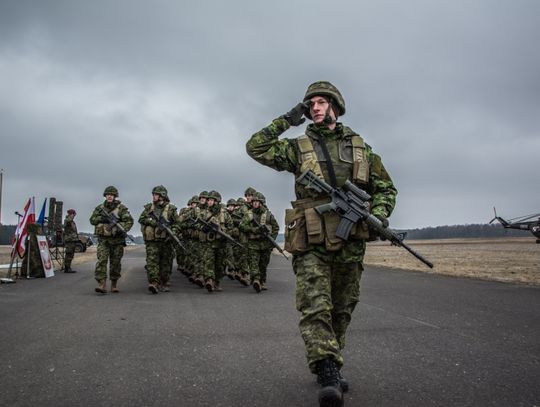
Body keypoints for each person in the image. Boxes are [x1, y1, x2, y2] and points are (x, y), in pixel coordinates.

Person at [246, 81, 397, 406]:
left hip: (350, 242)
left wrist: (379, 215)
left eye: (320, 102)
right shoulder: (297, 148)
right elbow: (256, 147)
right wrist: (289, 117)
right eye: (309, 103)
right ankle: (327, 369)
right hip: (311, 240)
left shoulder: (361, 149)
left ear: (335, 107)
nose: (314, 107)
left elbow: (386, 188)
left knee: (342, 309)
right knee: (315, 305)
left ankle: (331, 358)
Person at [89, 186, 134, 293]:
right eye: (108, 195)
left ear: (115, 196)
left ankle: (114, 284)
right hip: (103, 240)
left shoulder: (121, 208)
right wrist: (102, 218)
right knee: (102, 261)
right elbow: (92, 220)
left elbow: (129, 221)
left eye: (112, 195)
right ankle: (101, 284)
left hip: (117, 241)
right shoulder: (100, 208)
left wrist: (121, 228)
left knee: (115, 263)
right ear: (105, 196)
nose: (109, 196)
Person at [138, 185, 179, 294]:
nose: (154, 196)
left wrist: (172, 232)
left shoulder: (171, 209)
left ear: (162, 196)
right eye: (154, 194)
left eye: (156, 195)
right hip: (152, 242)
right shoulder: (148, 208)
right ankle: (153, 282)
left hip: (166, 241)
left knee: (166, 263)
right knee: (152, 262)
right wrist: (154, 223)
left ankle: (164, 282)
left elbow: (177, 224)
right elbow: (141, 219)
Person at [239, 192, 279, 293]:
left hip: (266, 243)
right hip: (253, 243)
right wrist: (253, 230)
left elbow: (276, 227)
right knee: (253, 263)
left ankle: (262, 281)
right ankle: (256, 280)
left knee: (263, 264)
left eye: (257, 202)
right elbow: (242, 226)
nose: (255, 203)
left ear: (261, 203)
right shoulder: (249, 214)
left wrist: (272, 239)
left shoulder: (268, 214)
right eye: (254, 202)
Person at [63, 208, 79, 273]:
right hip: (69, 240)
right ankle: (67, 268)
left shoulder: (72, 221)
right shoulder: (67, 220)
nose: (75, 215)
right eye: (74, 214)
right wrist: (72, 215)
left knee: (71, 254)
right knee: (69, 253)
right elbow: (69, 220)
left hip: (72, 240)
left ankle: (68, 267)